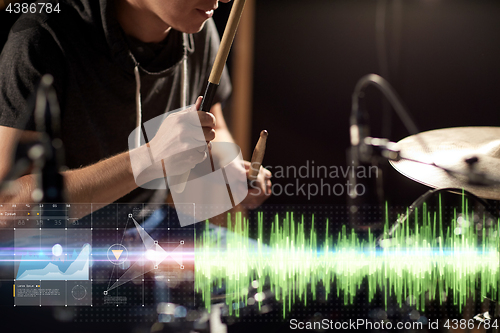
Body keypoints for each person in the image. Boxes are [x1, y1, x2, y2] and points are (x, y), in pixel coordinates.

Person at [0, 0, 271, 212]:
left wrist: (231, 168)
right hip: (64, 251)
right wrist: (148, 160)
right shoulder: (40, 39)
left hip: (151, 228)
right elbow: (8, 206)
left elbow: (215, 125)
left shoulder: (198, 24)